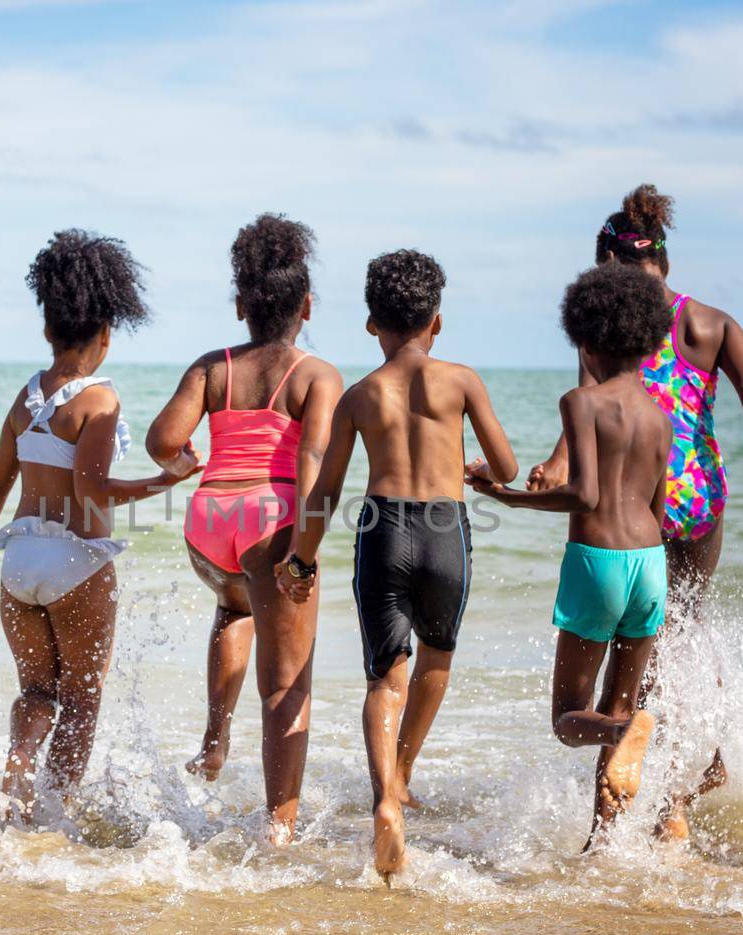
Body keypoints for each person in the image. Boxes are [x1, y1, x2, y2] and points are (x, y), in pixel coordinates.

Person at [526, 185, 743, 840]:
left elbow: (588, 401)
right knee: (681, 635)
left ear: (605, 269)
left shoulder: (607, 324)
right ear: (666, 263)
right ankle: (694, 774)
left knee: (641, 655)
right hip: (698, 497)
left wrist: (556, 467)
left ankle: (654, 804)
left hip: (631, 497)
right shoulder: (710, 322)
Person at [276, 249, 518, 881]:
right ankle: (405, 770)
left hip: (383, 528)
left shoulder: (359, 395)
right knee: (436, 659)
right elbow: (508, 466)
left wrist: (300, 563)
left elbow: (325, 491)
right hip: (445, 530)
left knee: (386, 678)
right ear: (436, 322)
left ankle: (385, 796)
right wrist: (476, 471)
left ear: (370, 324)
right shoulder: (462, 381)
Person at [0, 230, 199, 821]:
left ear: (47, 330)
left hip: (19, 564)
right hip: (76, 562)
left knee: (36, 692)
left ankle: (16, 775)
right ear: (107, 334)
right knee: (83, 702)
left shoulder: (26, 396)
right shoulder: (99, 400)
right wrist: (170, 480)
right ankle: (54, 814)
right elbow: (93, 491)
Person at [146, 213, 342, 846]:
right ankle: (279, 826)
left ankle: (213, 739)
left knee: (235, 609)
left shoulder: (212, 368)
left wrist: (182, 465)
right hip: (271, 519)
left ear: (240, 306)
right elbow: (313, 464)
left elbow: (163, 441)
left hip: (208, 521)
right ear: (306, 305)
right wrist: (302, 554)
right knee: (285, 682)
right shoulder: (317, 375)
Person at [470, 262, 672, 849]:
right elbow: (657, 504)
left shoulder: (581, 402)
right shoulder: (660, 416)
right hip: (649, 563)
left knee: (569, 719)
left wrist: (504, 496)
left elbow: (585, 494)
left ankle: (625, 729)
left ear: (584, 337)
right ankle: (601, 843)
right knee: (620, 707)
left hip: (599, 560)